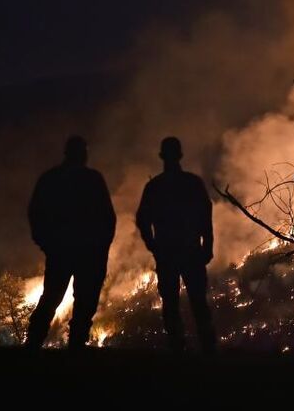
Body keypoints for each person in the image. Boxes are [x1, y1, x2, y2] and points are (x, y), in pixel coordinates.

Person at [25, 135, 116, 349]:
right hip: (86, 252)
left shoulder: (51, 178)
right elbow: (108, 218)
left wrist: (45, 242)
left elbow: (35, 213)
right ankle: (75, 346)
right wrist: (102, 248)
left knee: (52, 298)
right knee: (83, 302)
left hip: (62, 251)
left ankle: (34, 344)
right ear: (83, 154)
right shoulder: (92, 179)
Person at [136, 136, 215, 353]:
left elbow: (143, 219)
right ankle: (207, 349)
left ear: (162, 156)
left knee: (171, 304)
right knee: (197, 302)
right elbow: (205, 217)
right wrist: (207, 246)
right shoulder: (192, 183)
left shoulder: (155, 186)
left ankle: (177, 348)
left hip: (168, 253)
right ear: (180, 155)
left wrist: (152, 244)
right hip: (189, 251)